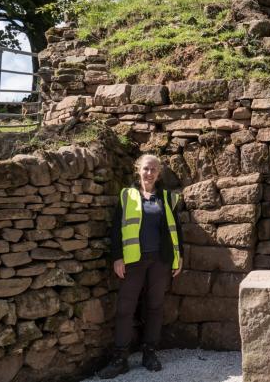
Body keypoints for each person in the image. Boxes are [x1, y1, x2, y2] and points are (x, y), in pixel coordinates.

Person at [99, 154, 184, 379]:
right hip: (133, 260)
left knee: (155, 307)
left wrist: (179, 257)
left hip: (160, 261)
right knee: (125, 309)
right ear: (138, 170)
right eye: (146, 168)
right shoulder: (127, 195)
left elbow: (177, 230)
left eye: (154, 169)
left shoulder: (167, 198)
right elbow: (116, 228)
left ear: (159, 173)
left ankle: (149, 353)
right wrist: (117, 257)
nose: (149, 173)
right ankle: (120, 359)